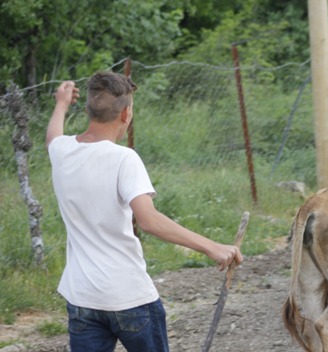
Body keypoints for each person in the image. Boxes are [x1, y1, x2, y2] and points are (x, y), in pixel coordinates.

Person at [46, 71, 243, 352]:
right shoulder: (124, 158)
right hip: (129, 297)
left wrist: (61, 104)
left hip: (82, 299)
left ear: (89, 109)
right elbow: (149, 221)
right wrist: (212, 247)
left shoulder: (62, 150)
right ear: (126, 114)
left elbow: (52, 135)